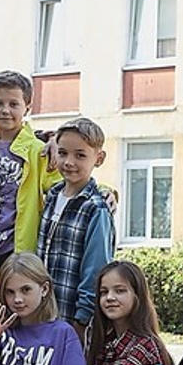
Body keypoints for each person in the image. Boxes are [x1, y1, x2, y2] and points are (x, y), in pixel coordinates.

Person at [36, 117, 114, 334]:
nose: (69, 162)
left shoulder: (96, 208)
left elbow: (96, 270)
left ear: (99, 158)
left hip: (72, 321)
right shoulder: (52, 196)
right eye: (62, 153)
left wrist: (82, 320)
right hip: (41, 316)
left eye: (80, 155)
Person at [0, 71, 58, 263]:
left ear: (27, 108)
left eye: (13, 104)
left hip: (19, 250)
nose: (5, 110)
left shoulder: (38, 151)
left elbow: (66, 183)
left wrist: (103, 191)